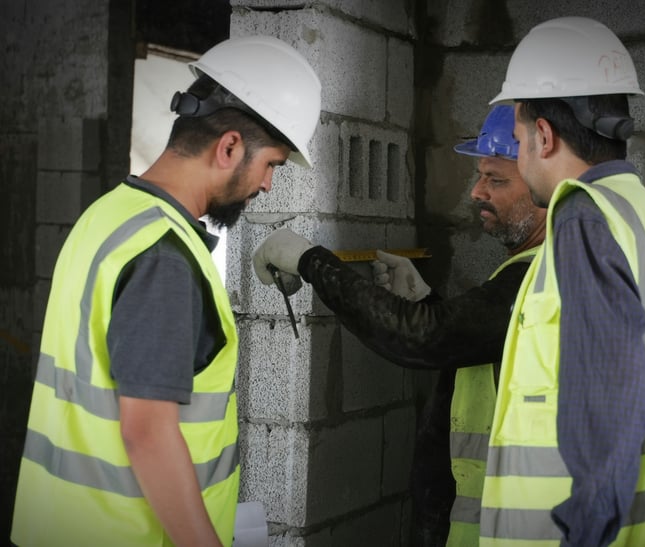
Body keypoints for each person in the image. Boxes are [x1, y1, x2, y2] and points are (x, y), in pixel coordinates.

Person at [11, 35, 321, 547]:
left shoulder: (110, 213)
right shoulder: (164, 256)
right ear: (229, 148)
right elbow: (148, 431)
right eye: (272, 165)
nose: (267, 185)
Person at [250, 105, 546, 546]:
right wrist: (427, 302)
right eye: (480, 175)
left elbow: (424, 339)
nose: (477, 192)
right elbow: (480, 347)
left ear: (545, 187)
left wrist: (312, 261)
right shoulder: (526, 269)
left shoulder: (541, 275)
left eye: (496, 180)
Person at [479, 17, 645, 546]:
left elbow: (611, 408)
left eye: (516, 141)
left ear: (543, 135)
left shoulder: (585, 218)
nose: (517, 156)